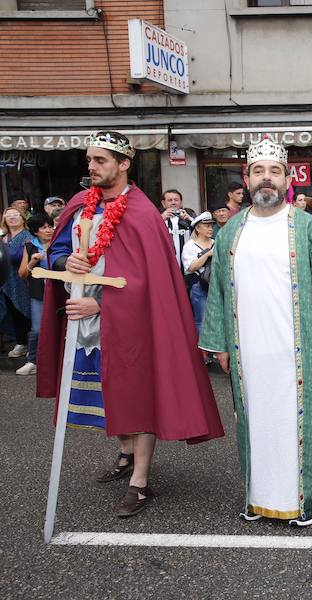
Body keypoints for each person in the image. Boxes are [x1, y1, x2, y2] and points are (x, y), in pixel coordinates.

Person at [36, 131, 224, 518]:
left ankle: (140, 480)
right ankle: (125, 454)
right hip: (82, 320)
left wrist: (101, 303)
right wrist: (63, 263)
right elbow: (56, 250)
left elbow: (148, 279)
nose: (91, 167)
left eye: (100, 160)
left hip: (126, 321)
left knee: (138, 394)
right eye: (89, 160)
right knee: (110, 393)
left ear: (124, 164)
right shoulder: (78, 204)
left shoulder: (141, 212)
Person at [199, 135, 312, 526]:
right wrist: (219, 344)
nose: (266, 178)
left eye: (274, 171)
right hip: (248, 350)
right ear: (247, 179)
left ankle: (308, 499)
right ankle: (258, 497)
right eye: (258, 171)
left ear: (287, 180)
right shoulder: (231, 231)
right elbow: (218, 289)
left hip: (297, 349)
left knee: (300, 424)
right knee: (256, 421)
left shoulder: (307, 228)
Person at [16, 213, 55, 375]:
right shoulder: (29, 246)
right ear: (35, 231)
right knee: (37, 328)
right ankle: (33, 361)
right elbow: (22, 274)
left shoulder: (61, 242)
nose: (48, 230)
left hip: (61, 290)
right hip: (38, 292)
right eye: (43, 227)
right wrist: (32, 262)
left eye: (50, 226)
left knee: (63, 326)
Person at [1, 206, 32, 359]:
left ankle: (30, 344)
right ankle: (20, 342)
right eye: (9, 216)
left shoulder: (28, 236)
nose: (12, 218)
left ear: (22, 218)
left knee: (25, 312)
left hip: (23, 280)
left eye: (16, 215)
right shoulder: (3, 237)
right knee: (12, 312)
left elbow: (16, 256)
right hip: (6, 281)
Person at [182, 212, 215, 343]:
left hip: (216, 285)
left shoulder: (215, 242)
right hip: (199, 286)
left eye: (211, 226)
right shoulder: (190, 246)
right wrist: (207, 255)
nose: (210, 229)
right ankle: (203, 352)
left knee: (216, 318)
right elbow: (190, 267)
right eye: (206, 226)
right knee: (201, 319)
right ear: (197, 228)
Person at [160, 189, 191, 266]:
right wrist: (160, 220)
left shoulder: (190, 217)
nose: (173, 202)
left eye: (176, 200)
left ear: (181, 202)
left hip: (188, 265)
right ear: (163, 203)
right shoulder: (157, 219)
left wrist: (191, 221)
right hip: (167, 263)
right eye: (170, 200)